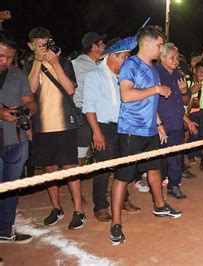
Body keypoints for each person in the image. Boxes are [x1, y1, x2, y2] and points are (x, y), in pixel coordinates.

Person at [110, 26, 180, 245]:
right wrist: (157, 89)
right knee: (123, 177)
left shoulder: (151, 68)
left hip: (150, 129)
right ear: (147, 44)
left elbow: (151, 102)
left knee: (155, 169)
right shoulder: (130, 65)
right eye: (159, 45)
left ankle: (160, 206)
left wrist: (158, 123)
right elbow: (126, 95)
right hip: (131, 130)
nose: (160, 50)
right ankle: (116, 224)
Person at [24, 27, 85, 229]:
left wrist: (56, 63)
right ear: (31, 46)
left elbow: (70, 89)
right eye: (39, 45)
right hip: (41, 126)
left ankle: (79, 210)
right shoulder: (28, 65)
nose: (43, 48)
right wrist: (38, 62)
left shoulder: (65, 63)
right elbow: (30, 91)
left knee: (70, 167)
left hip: (64, 124)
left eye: (46, 44)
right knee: (49, 169)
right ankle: (56, 208)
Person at [82, 37, 141, 222]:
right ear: (112, 56)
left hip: (123, 126)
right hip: (104, 127)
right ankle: (100, 206)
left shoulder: (122, 76)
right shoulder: (95, 75)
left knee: (124, 166)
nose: (126, 61)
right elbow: (89, 107)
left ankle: (123, 199)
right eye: (123, 57)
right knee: (103, 169)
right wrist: (96, 132)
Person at [0, 31, 35, 244]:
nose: (5, 61)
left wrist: (27, 111)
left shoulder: (17, 74)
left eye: (10, 57)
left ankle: (5, 229)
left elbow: (30, 101)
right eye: (1, 56)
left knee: (11, 187)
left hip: (16, 139)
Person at [156, 43, 198, 200]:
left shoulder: (179, 75)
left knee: (175, 158)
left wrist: (184, 91)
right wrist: (158, 124)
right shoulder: (156, 74)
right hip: (159, 124)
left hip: (176, 123)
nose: (175, 61)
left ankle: (174, 186)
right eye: (171, 57)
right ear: (162, 57)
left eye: (176, 58)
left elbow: (185, 101)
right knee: (158, 159)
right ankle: (157, 187)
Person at [72, 32, 106, 167]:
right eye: (102, 44)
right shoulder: (76, 64)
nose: (104, 46)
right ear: (94, 46)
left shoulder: (99, 65)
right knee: (80, 152)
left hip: (96, 114)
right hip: (81, 113)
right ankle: (75, 178)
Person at [185, 61, 203, 164]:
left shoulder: (201, 84)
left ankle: (194, 153)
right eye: (200, 72)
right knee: (192, 134)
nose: (202, 75)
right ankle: (190, 156)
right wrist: (187, 117)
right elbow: (185, 101)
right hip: (186, 114)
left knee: (198, 134)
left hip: (198, 112)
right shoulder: (188, 82)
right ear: (194, 70)